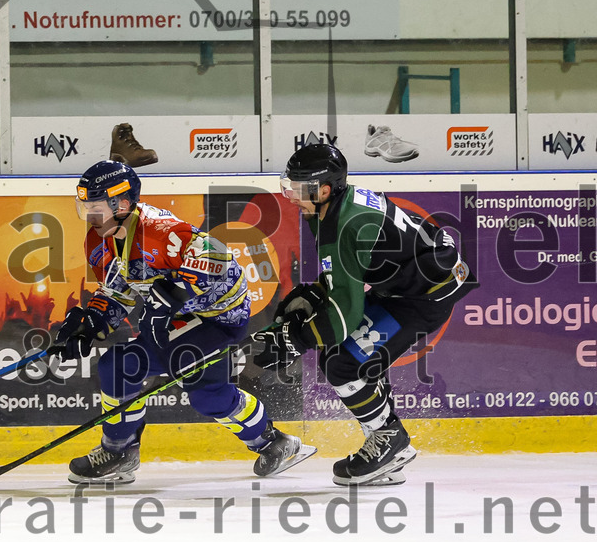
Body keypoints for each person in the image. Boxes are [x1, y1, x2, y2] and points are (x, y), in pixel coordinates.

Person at [55, 159, 314, 484]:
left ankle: (275, 442)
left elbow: (221, 262)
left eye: (95, 208)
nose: (89, 218)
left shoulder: (161, 231)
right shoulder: (98, 240)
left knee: (207, 395)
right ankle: (119, 450)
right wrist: (90, 322)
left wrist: (174, 291)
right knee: (117, 367)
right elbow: (118, 290)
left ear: (121, 203)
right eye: (85, 209)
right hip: (174, 321)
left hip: (218, 317)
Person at [252, 144, 478, 486]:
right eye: (289, 185)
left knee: (342, 362)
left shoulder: (342, 223)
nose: (290, 196)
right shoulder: (330, 207)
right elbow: (351, 277)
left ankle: (390, 442)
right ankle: (389, 445)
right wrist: (317, 296)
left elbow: (343, 315)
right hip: (412, 283)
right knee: (346, 357)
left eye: (297, 188)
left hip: (425, 296)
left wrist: (294, 340)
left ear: (323, 189)